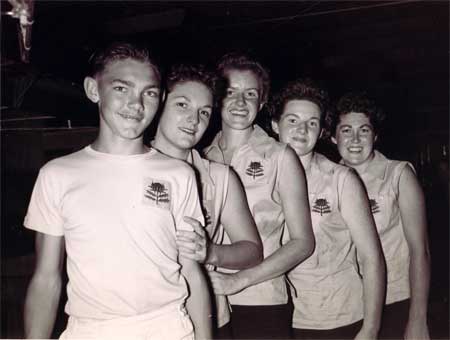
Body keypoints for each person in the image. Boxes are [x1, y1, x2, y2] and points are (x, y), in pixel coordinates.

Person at [23, 42, 212, 340]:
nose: (136, 104)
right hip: (91, 330)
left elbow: (191, 271)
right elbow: (46, 279)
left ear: (160, 98)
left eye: (148, 93)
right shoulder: (57, 175)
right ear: (93, 90)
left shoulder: (179, 175)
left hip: (169, 327)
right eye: (122, 89)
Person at [204, 53, 315, 339]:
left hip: (261, 299)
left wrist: (238, 281)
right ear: (217, 98)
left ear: (262, 102)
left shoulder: (280, 156)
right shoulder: (201, 157)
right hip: (210, 300)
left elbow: (303, 242)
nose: (240, 102)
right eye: (231, 92)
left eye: (250, 94)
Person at [151, 63, 264, 338]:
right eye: (182, 105)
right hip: (146, 321)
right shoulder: (128, 170)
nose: (194, 120)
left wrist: (212, 252)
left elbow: (252, 250)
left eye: (204, 112)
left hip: (208, 321)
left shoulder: (220, 176)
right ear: (160, 103)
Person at [269, 78, 386, 339]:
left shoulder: (340, 179)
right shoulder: (260, 178)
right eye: (293, 121)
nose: (302, 130)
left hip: (340, 317)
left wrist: (370, 328)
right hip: (283, 317)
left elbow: (372, 258)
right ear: (275, 125)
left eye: (312, 123)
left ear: (322, 130)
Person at [329, 92, 431, 340]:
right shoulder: (327, 178)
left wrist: (417, 319)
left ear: (374, 136)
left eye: (363, 130)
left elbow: (421, 251)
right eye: (346, 130)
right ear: (333, 137)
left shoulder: (398, 175)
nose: (355, 139)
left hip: (395, 301)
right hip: (349, 306)